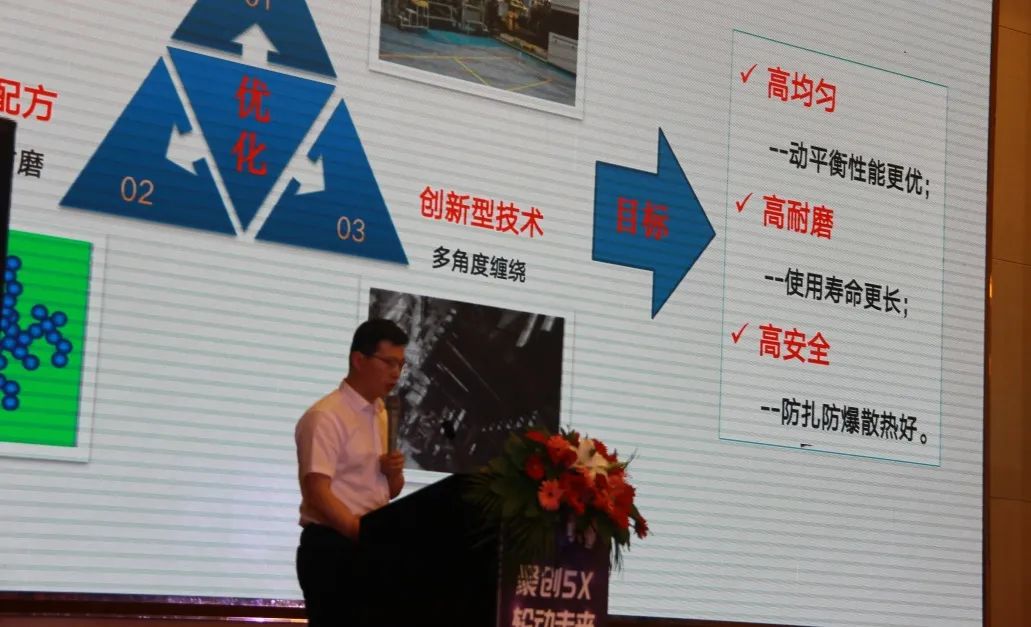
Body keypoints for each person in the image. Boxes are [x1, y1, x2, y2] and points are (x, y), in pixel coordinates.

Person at [294, 318, 409, 626]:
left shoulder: (381, 413)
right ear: (359, 360)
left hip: (368, 546)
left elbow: (386, 492)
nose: (396, 373)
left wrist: (393, 474)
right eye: (389, 362)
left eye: (401, 365)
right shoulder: (325, 416)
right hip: (332, 549)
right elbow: (317, 493)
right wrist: (365, 535)